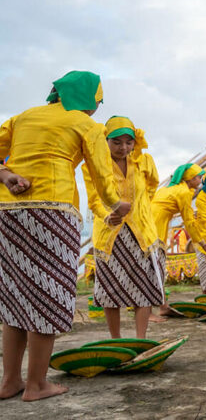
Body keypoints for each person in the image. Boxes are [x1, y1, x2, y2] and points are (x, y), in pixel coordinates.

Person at [0, 71, 130, 401]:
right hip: (54, 210)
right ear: (89, 99)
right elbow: (101, 173)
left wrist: (7, 175)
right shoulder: (85, 124)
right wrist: (117, 203)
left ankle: (9, 381)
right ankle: (36, 385)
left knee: (16, 293)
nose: (96, 110)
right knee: (48, 291)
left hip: (8, 213)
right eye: (98, 102)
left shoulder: (23, 117)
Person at [85, 116, 164, 340]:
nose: (124, 147)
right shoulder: (94, 165)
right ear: (106, 141)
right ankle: (116, 339)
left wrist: (142, 208)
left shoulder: (143, 162)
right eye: (116, 142)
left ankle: (140, 339)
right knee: (110, 286)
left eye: (129, 142)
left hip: (141, 233)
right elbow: (94, 200)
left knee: (144, 284)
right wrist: (107, 215)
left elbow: (152, 186)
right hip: (111, 233)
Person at [150, 162, 206, 317]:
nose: (201, 180)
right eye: (199, 177)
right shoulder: (183, 192)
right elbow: (188, 221)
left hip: (150, 225)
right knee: (152, 269)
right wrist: (201, 243)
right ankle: (147, 312)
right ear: (191, 178)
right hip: (155, 230)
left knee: (155, 268)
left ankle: (163, 306)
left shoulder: (169, 188)